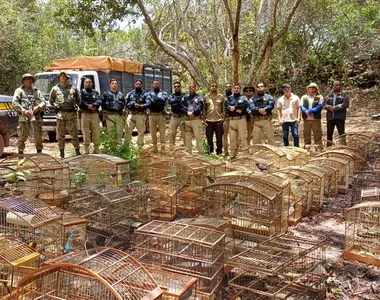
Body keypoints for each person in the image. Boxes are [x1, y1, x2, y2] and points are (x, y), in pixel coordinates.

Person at [49, 71, 81, 158]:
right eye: (61, 76)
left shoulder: (73, 88)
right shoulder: (55, 89)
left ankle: (77, 150)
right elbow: (51, 101)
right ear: (59, 78)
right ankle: (61, 152)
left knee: (74, 133)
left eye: (64, 76)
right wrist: (56, 106)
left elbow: (79, 100)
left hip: (71, 114)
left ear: (67, 78)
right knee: (60, 134)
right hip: (61, 115)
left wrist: (75, 107)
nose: (63, 78)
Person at [12, 73, 46, 154]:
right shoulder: (19, 91)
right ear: (23, 81)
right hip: (23, 116)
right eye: (27, 79)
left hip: (35, 116)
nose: (29, 81)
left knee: (38, 135)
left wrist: (38, 107)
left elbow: (43, 102)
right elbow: (14, 103)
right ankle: (20, 152)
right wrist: (23, 111)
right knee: (22, 135)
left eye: (30, 79)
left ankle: (39, 152)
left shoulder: (36, 91)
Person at [225, 84, 249, 159]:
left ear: (240, 89)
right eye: (235, 88)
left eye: (238, 88)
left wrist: (235, 107)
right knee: (232, 137)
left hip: (241, 120)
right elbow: (226, 107)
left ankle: (245, 153)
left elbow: (245, 106)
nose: (236, 89)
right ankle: (233, 153)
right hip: (232, 120)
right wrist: (234, 108)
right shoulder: (229, 98)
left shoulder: (243, 97)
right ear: (232, 89)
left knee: (243, 137)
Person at [125, 79, 149, 149]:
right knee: (128, 131)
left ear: (141, 85)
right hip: (131, 115)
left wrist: (141, 106)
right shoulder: (130, 94)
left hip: (141, 115)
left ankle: (140, 147)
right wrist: (132, 104)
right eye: (137, 84)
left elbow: (148, 103)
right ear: (135, 85)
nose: (138, 85)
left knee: (141, 132)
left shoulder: (145, 94)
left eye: (139, 84)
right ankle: (126, 147)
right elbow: (126, 104)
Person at [79, 77, 102, 154]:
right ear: (84, 83)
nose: (88, 83)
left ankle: (96, 149)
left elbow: (99, 100)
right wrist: (87, 106)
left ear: (92, 83)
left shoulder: (95, 93)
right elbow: (79, 101)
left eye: (89, 82)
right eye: (86, 82)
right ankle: (86, 149)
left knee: (96, 131)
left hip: (94, 114)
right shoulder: (81, 92)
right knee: (85, 132)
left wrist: (94, 105)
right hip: (85, 114)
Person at [323, 81, 349, 146]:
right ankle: (329, 147)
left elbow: (345, 104)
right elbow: (324, 104)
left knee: (341, 133)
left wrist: (336, 108)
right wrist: (329, 107)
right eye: (334, 85)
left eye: (337, 85)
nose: (335, 86)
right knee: (329, 133)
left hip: (340, 117)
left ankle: (343, 147)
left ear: (340, 86)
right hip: (330, 117)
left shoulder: (344, 95)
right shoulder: (329, 95)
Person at [145, 80, 168, 153]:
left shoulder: (163, 93)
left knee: (162, 132)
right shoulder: (149, 93)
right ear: (152, 85)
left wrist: (153, 99)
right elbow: (148, 103)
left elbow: (163, 100)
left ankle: (163, 148)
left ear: (159, 85)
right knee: (152, 132)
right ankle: (155, 148)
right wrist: (157, 100)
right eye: (154, 84)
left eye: (157, 84)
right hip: (152, 115)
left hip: (160, 115)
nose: (156, 85)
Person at [204, 82, 226, 155]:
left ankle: (219, 152)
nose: (214, 87)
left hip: (218, 121)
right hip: (208, 121)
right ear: (210, 87)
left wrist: (223, 118)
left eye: (215, 86)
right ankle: (210, 152)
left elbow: (224, 108)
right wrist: (204, 119)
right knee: (209, 138)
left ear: (217, 87)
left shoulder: (221, 97)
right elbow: (204, 109)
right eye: (212, 86)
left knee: (219, 138)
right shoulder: (206, 97)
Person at [102, 79, 126, 144]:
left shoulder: (121, 94)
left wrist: (124, 112)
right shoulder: (105, 94)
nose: (114, 85)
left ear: (117, 85)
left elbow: (125, 104)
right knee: (111, 133)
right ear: (110, 85)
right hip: (109, 116)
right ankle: (112, 149)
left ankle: (118, 149)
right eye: (112, 83)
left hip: (119, 116)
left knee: (119, 132)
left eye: (115, 83)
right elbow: (102, 105)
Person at [300, 82, 323, 151]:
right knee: (307, 134)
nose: (312, 89)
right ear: (308, 89)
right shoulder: (304, 97)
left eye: (313, 88)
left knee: (317, 134)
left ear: (316, 89)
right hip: (306, 119)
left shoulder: (319, 97)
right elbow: (301, 106)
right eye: (310, 88)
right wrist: (305, 111)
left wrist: (311, 111)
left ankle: (318, 148)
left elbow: (320, 106)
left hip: (316, 119)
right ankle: (307, 149)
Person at [182, 84, 204, 154]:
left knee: (199, 137)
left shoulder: (199, 97)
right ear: (188, 88)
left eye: (193, 87)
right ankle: (188, 152)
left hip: (196, 119)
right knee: (188, 137)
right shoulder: (185, 97)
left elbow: (200, 106)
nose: (191, 88)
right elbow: (182, 106)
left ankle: (201, 153)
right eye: (190, 87)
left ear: (195, 88)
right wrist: (187, 113)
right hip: (187, 120)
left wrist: (193, 113)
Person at [168, 81, 186, 149]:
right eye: (175, 87)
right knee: (172, 133)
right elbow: (170, 102)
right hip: (174, 117)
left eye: (178, 86)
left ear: (180, 87)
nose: (176, 88)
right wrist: (179, 100)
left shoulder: (184, 95)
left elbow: (186, 103)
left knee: (184, 133)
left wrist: (175, 101)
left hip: (182, 117)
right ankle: (171, 148)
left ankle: (187, 148)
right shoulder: (171, 95)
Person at [223, 83, 233, 156]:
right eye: (227, 87)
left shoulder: (235, 96)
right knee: (224, 135)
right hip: (225, 118)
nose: (228, 88)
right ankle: (226, 151)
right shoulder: (222, 97)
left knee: (233, 135)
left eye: (230, 86)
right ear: (225, 88)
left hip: (233, 118)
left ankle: (233, 151)